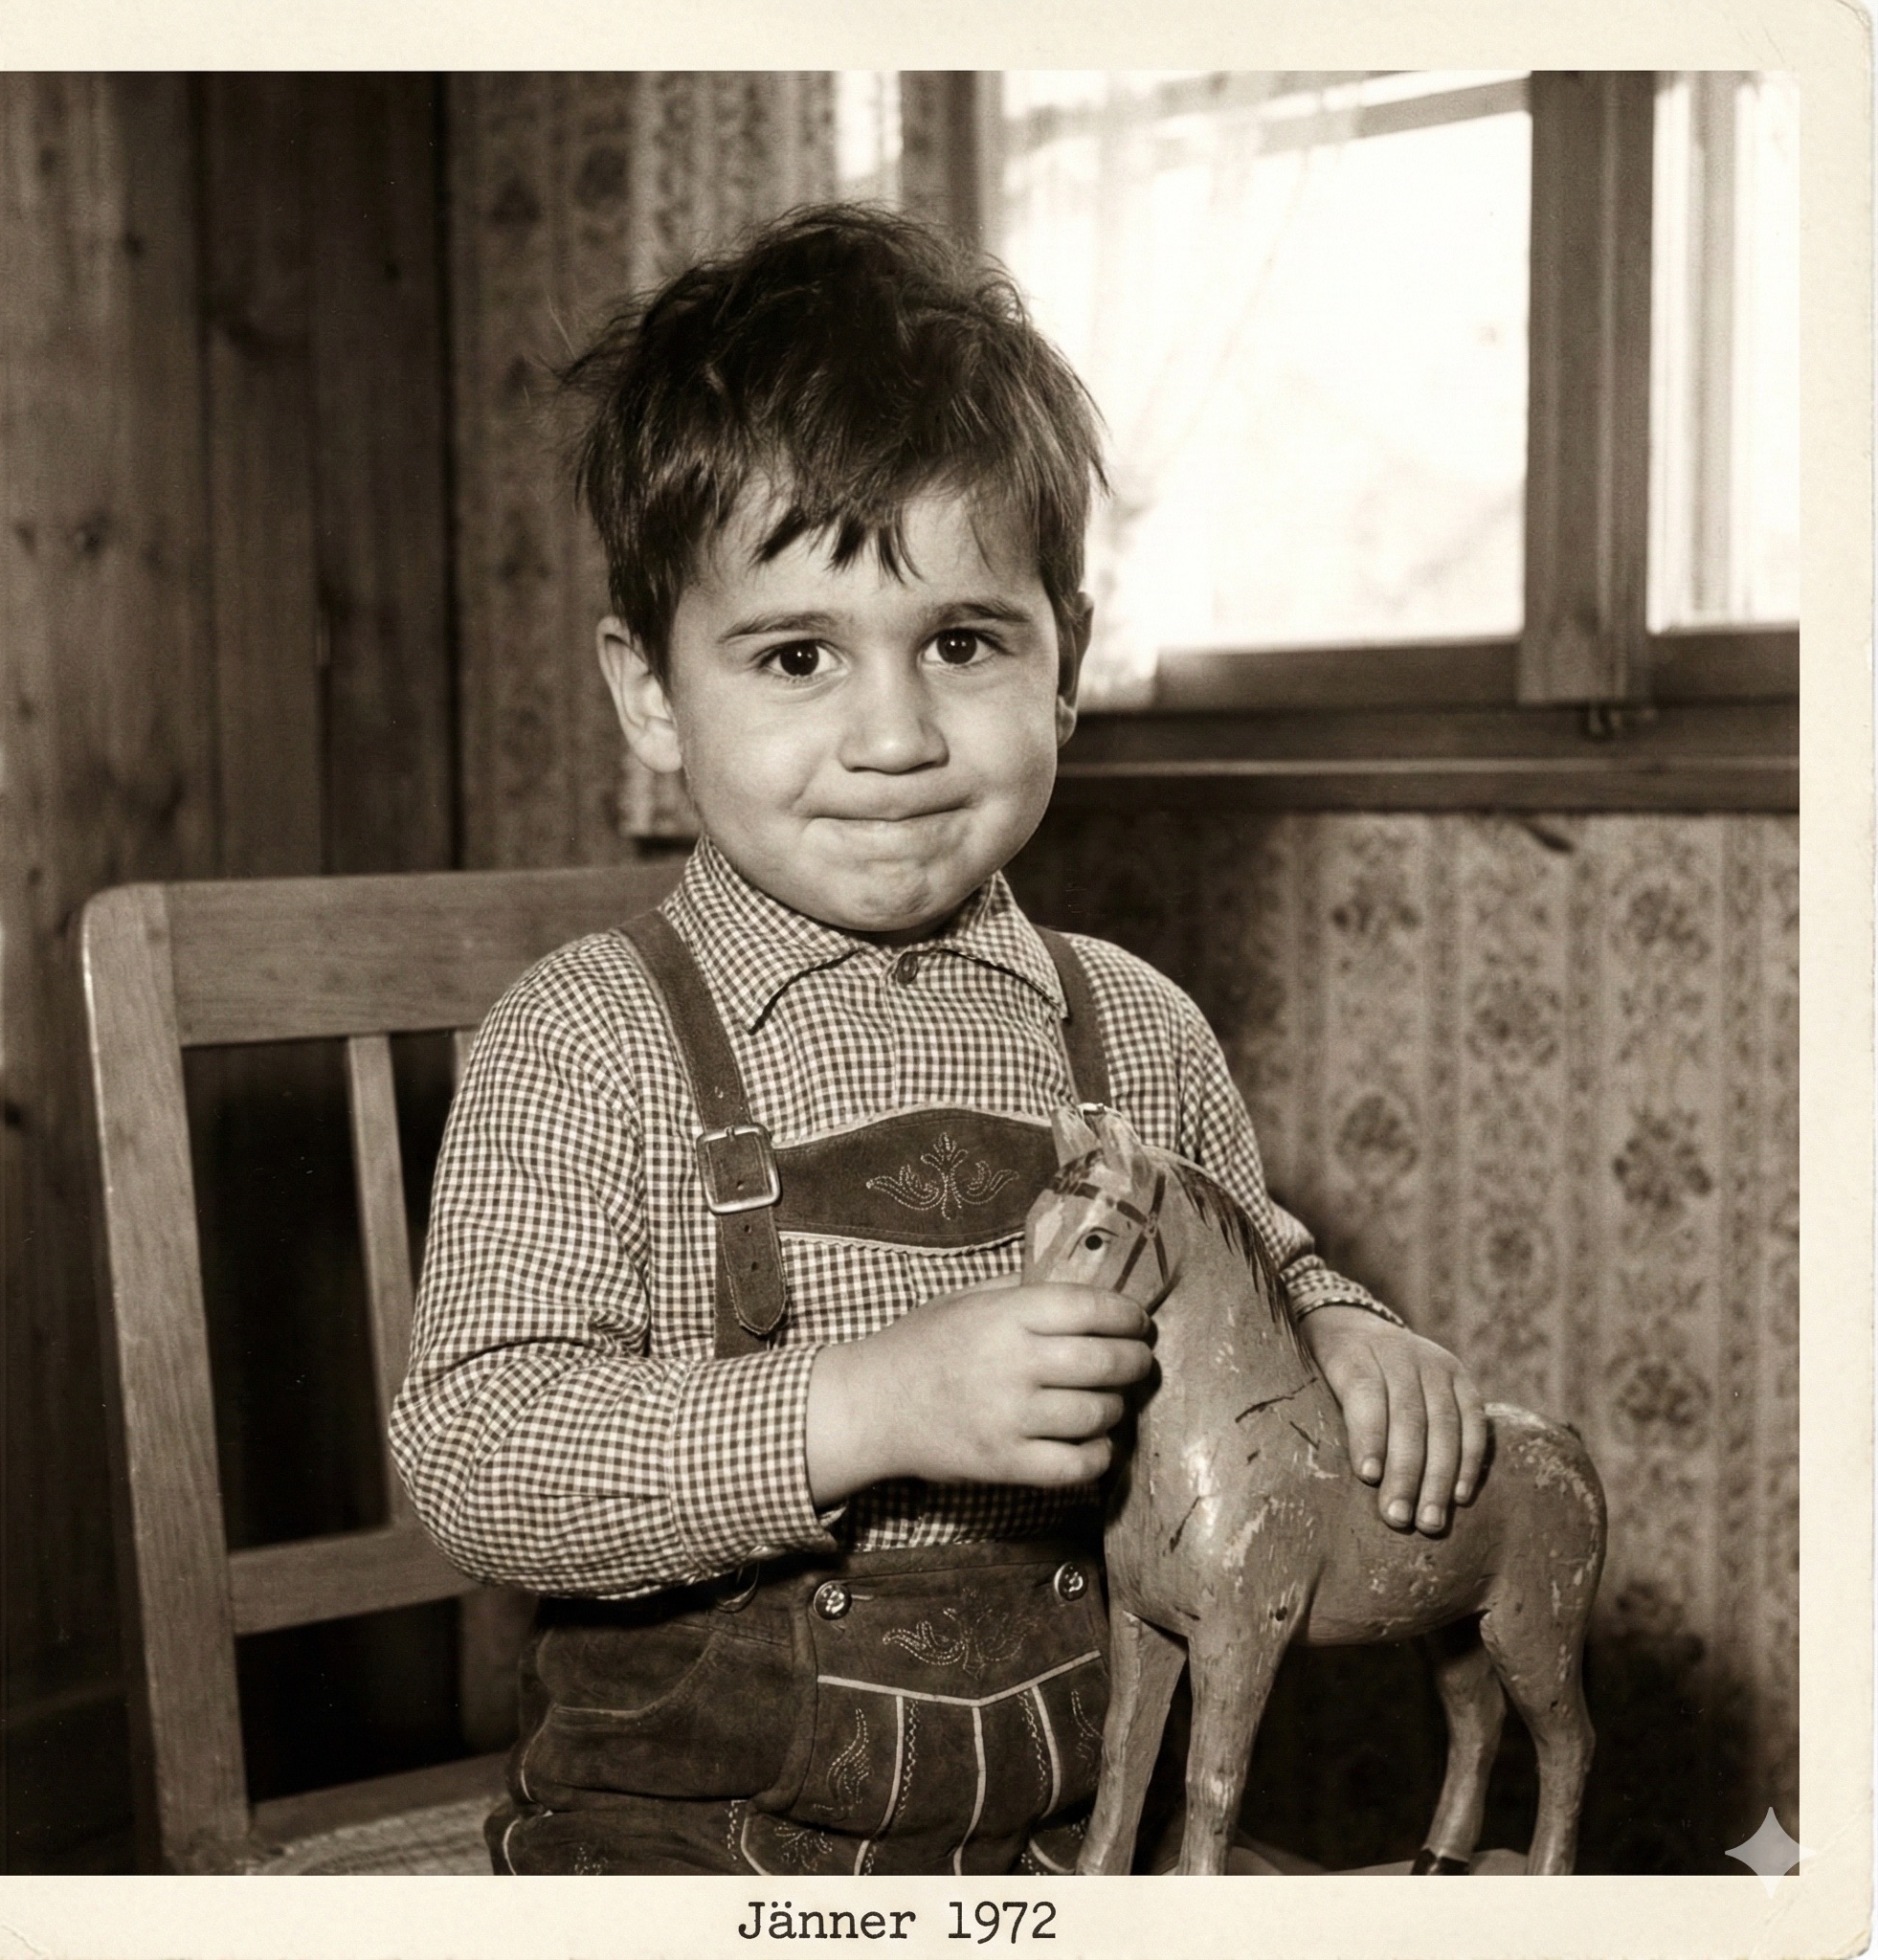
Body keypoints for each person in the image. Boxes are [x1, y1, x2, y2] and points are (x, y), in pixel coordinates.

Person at [390, 204, 1487, 1879]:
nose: (895, 735)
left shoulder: (1139, 1031)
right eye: (798, 655)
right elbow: (479, 1454)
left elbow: (1259, 1270)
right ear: (651, 693)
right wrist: (863, 1406)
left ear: (1065, 667)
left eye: (964, 644)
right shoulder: (585, 1041)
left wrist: (1348, 1334)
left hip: (1075, 1830)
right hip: (686, 1847)